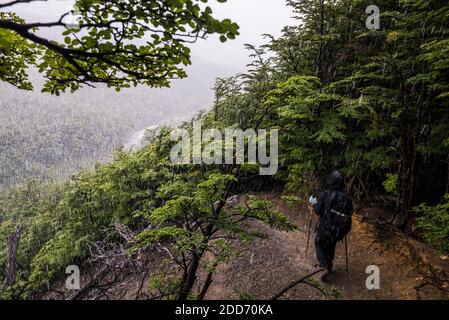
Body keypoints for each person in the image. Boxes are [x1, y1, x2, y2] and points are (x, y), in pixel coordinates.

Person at [309, 169, 353, 282]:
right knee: (331, 246)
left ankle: (324, 267)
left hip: (325, 228)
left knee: (319, 243)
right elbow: (350, 213)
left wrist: (313, 202)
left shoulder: (326, 194)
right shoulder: (346, 197)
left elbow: (318, 211)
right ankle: (329, 266)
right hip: (338, 231)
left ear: (331, 181)